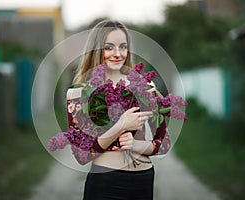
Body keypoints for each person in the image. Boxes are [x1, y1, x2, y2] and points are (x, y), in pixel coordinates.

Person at [65, 20, 170, 200]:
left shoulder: (145, 87)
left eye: (123, 47)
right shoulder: (79, 93)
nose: (117, 53)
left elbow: (164, 143)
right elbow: (81, 154)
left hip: (142, 181)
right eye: (109, 47)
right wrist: (120, 126)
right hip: (105, 182)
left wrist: (136, 145)